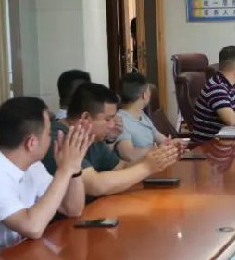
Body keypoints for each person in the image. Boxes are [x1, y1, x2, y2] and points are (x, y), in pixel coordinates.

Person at [0, 97, 91, 260]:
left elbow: (72, 208)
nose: (51, 139)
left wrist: (74, 168)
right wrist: (64, 170)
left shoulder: (33, 166)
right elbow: (32, 227)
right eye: (48, 134)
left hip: (15, 259)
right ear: (31, 143)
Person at [42, 82, 178, 197]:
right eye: (108, 119)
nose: (113, 125)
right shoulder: (58, 139)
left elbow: (121, 167)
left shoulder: (92, 137)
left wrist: (156, 157)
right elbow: (95, 185)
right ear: (85, 118)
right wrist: (146, 167)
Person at [114, 72, 182, 162]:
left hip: (155, 164)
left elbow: (161, 139)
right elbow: (130, 155)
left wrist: (173, 143)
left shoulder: (142, 115)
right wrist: (157, 149)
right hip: (139, 168)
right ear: (145, 95)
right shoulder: (119, 121)